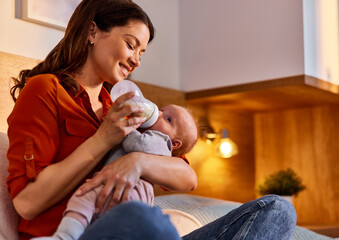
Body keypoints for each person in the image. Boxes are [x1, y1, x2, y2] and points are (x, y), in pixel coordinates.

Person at [6, 0, 297, 239]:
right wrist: (102, 139)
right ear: (92, 31)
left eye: (142, 52)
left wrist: (136, 162)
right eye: (131, 45)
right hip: (82, 232)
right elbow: (27, 203)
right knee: (143, 217)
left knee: (277, 209)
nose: (136, 61)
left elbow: (187, 176)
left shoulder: (122, 104)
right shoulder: (45, 89)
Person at [33, 104, 198, 240]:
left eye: (168, 119)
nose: (159, 113)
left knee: (113, 212)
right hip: (108, 183)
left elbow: (137, 144)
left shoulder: (162, 142)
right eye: (162, 110)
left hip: (133, 190)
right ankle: (65, 235)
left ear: (175, 144)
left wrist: (127, 126)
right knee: (83, 197)